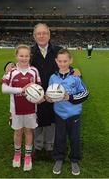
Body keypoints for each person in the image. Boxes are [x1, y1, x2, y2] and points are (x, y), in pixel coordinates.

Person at [31, 23, 81, 159]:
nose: (41, 36)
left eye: (44, 33)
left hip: (54, 93)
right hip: (37, 94)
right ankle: (37, 146)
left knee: (52, 120)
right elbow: (19, 64)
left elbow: (65, 64)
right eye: (38, 34)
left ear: (49, 34)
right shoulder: (30, 52)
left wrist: (75, 70)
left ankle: (50, 146)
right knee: (37, 120)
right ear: (34, 36)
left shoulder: (57, 50)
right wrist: (8, 66)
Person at [46, 49, 89, 175]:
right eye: (60, 61)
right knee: (59, 138)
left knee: (74, 138)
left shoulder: (75, 77)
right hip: (59, 114)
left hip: (73, 114)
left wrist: (69, 97)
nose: (63, 63)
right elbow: (49, 94)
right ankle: (59, 158)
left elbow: (85, 93)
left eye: (65, 61)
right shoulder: (53, 77)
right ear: (56, 61)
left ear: (70, 60)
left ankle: (74, 160)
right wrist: (49, 98)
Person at [1, 44, 41, 171]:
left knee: (29, 131)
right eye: (21, 56)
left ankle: (28, 156)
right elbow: (4, 89)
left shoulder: (34, 71)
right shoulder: (11, 72)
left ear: (30, 57)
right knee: (18, 132)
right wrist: (21, 89)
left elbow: (39, 88)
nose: (24, 58)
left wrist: (39, 96)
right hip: (16, 109)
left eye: (26, 56)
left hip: (31, 109)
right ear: (16, 56)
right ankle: (17, 154)